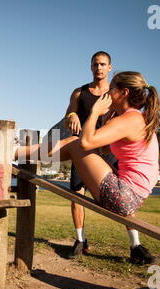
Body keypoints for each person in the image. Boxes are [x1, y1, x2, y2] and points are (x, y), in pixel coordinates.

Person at [14, 71, 160, 265]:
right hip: (129, 196)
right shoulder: (131, 118)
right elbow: (105, 148)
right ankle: (21, 151)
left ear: (124, 93)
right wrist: (107, 118)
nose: (107, 93)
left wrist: (95, 112)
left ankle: (15, 152)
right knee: (72, 144)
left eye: (113, 87)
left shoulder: (130, 120)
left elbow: (86, 143)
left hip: (123, 196)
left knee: (75, 143)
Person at [64, 51, 118, 258]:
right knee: (76, 195)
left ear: (110, 67)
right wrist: (72, 115)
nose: (99, 68)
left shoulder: (115, 94)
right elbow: (69, 112)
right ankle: (80, 240)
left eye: (103, 64)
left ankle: (135, 245)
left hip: (108, 151)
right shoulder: (79, 92)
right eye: (96, 64)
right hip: (84, 150)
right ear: (90, 66)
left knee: (122, 196)